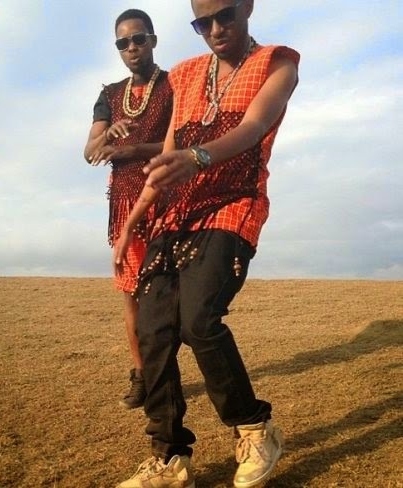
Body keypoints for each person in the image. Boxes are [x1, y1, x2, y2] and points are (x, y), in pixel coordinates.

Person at [113, 0, 300, 486]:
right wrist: (132, 222)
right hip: (176, 213)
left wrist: (198, 157)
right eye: (203, 22)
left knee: (198, 320)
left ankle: (256, 429)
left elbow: (253, 127)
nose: (216, 29)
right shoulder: (186, 74)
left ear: (248, 7)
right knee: (153, 331)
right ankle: (170, 458)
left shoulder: (278, 63)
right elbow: (168, 156)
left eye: (226, 16)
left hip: (232, 204)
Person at [84, 9, 173, 409]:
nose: (132, 47)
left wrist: (133, 149)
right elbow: (90, 152)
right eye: (123, 42)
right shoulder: (109, 95)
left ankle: (163, 371)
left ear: (152, 39)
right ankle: (142, 375)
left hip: (168, 199)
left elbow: (180, 141)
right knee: (131, 295)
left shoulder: (175, 84)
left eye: (138, 39)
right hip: (123, 204)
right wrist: (108, 137)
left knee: (167, 296)